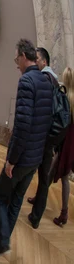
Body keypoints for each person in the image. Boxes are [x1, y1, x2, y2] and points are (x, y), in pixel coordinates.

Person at [0, 39, 52, 261]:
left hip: (22, 157)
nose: (16, 64)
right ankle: (1, 241)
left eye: (16, 59)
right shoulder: (46, 81)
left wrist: (11, 160)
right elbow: (46, 123)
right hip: (36, 157)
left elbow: (23, 126)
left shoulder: (26, 81)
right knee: (15, 201)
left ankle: (1, 243)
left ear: (24, 56)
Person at [26, 47, 60, 228]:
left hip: (43, 136)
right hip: (49, 135)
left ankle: (36, 216)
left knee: (37, 173)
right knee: (42, 174)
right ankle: (37, 202)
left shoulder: (45, 79)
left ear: (44, 62)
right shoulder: (53, 79)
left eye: (36, 59)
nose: (34, 62)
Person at [49, 67, 74, 227]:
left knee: (55, 175)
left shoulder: (65, 97)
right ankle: (63, 212)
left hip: (67, 142)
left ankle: (63, 212)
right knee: (64, 177)